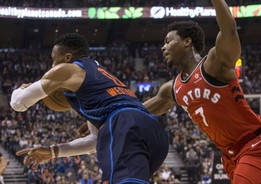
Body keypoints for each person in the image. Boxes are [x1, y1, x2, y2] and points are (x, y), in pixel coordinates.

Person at [143, 0, 261, 183]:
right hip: (230, 155)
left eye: (169, 41)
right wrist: (101, 122)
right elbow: (136, 111)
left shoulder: (214, 65)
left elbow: (229, 31)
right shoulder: (172, 89)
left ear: (187, 42)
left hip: (256, 144)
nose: (163, 47)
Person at [10, 33, 169, 184]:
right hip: (152, 130)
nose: (52, 65)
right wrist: (53, 151)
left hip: (125, 125)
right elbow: (95, 141)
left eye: (53, 59)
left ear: (67, 58)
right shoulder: (99, 77)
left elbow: (18, 103)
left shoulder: (67, 69)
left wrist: (22, 88)